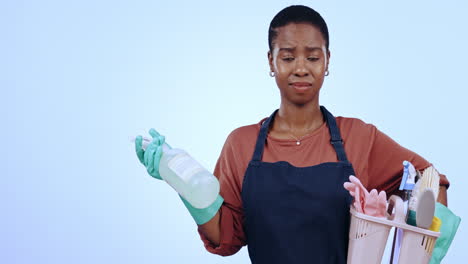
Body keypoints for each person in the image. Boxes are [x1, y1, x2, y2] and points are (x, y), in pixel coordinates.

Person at [135, 5, 450, 264]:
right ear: (270, 62)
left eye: (313, 57)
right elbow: (226, 238)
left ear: (327, 62)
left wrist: (420, 250)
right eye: (287, 57)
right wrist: (183, 184)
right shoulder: (241, 144)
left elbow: (430, 178)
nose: (301, 68)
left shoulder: (359, 137)